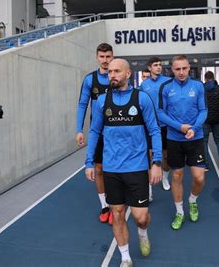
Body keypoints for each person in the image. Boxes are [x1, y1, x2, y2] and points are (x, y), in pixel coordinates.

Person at [85, 59, 162, 267]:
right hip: (111, 169)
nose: (112, 75)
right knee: (117, 214)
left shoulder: (142, 98)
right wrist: (89, 162)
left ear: (128, 74)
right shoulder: (102, 101)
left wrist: (156, 162)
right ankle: (125, 258)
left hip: (136, 168)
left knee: (141, 217)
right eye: (110, 72)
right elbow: (94, 132)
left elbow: (154, 130)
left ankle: (143, 232)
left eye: (117, 71)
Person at [158, 55, 207, 230]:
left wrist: (194, 127)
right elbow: (161, 113)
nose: (181, 72)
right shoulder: (166, 87)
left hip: (195, 137)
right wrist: (179, 127)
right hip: (174, 139)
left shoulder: (198, 86)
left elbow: (203, 110)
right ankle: (179, 212)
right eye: (177, 69)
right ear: (172, 69)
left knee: (199, 177)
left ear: (188, 68)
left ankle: (192, 200)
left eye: (184, 68)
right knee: (177, 176)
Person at [76, 43, 114, 224]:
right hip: (98, 132)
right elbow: (83, 105)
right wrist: (79, 130)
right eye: (102, 57)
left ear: (112, 57)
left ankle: (116, 204)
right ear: (97, 57)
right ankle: (105, 206)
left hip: (117, 132)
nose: (105, 60)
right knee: (98, 169)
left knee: (113, 170)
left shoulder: (118, 78)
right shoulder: (90, 80)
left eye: (108, 57)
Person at [139, 56, 172, 198]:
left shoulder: (168, 82)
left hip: (165, 125)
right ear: (149, 68)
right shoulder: (144, 85)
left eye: (160, 65)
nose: (159, 67)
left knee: (165, 156)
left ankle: (164, 178)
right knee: (149, 156)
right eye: (155, 65)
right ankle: (149, 188)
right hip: (148, 126)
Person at [203, 71, 219, 172]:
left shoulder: (202, 89)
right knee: (218, 140)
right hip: (217, 120)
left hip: (205, 119)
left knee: (204, 142)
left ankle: (205, 165)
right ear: (213, 78)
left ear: (205, 79)